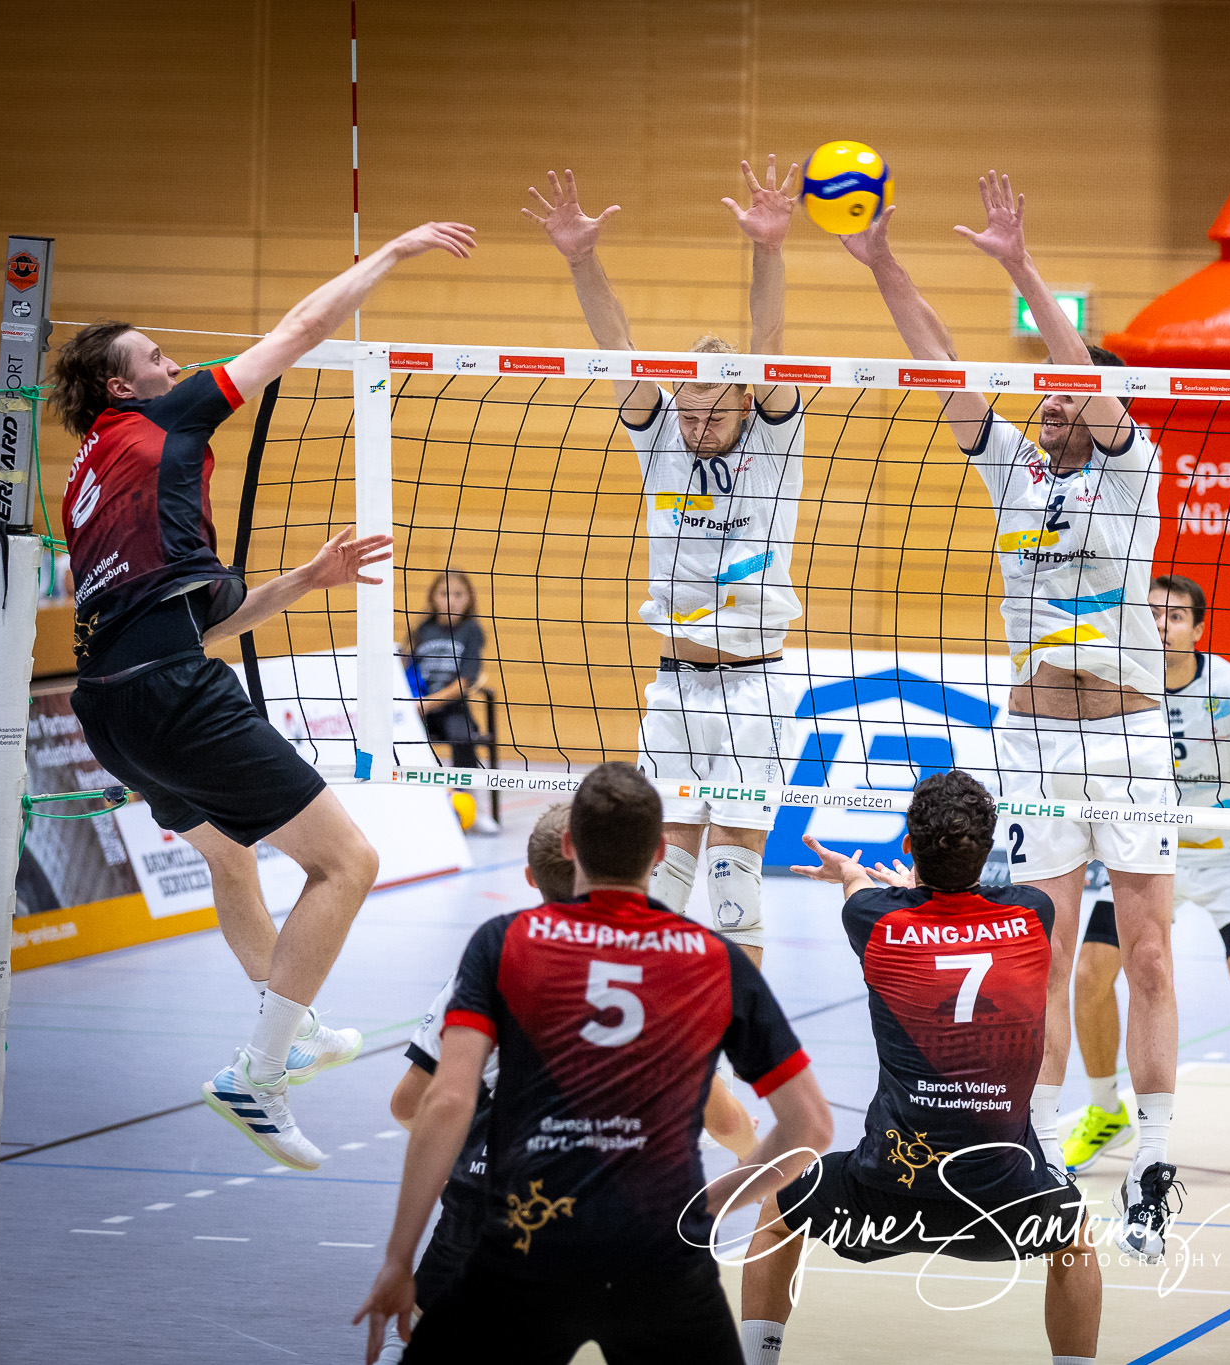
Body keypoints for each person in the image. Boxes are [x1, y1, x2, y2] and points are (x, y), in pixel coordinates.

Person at [50, 220, 477, 1171]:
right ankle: (261, 1070)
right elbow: (297, 330)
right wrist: (394, 253)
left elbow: (185, 617)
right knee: (348, 863)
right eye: (156, 356)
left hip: (108, 705)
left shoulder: (88, 475)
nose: (176, 362)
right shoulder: (159, 419)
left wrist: (301, 581)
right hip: (167, 694)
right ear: (124, 385)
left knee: (233, 863)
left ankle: (298, 1027)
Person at [842, 171, 1181, 1259]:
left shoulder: (1133, 474)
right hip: (1033, 743)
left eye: (1066, 390)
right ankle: (1021, 1156)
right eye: (1041, 392)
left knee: (1150, 957)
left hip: (1127, 739)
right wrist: (884, 263)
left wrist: (1020, 266)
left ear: (1099, 405)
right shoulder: (1014, 477)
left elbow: (1078, 369)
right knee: (1027, 953)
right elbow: (942, 368)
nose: (1048, 399)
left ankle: (1156, 1163)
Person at [354, 761, 832, 1365]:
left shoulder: (504, 943)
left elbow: (443, 1102)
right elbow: (810, 1126)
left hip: (523, 1239)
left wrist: (399, 1260)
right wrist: (706, 1209)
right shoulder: (711, 959)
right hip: (655, 1249)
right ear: (660, 852)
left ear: (569, 845)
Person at [526, 160, 807, 966]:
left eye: (711, 412)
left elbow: (770, 340)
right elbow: (616, 345)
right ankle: (655, 1014)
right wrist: (581, 258)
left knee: (735, 875)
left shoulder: (775, 440)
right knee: (666, 864)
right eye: (686, 410)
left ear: (744, 403)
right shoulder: (660, 438)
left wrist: (768, 249)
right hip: (676, 685)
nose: (693, 425)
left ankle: (736, 1045)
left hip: (756, 681)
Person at [741, 771, 1100, 1365]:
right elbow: (964, 912)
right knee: (1076, 1239)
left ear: (908, 844)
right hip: (1003, 1202)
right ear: (989, 852)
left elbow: (861, 890)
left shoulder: (875, 923)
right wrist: (918, 892)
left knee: (778, 1211)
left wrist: (859, 877)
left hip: (886, 1195)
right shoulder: (1034, 915)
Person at [1065, 575, 1230, 1173]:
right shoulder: (1116, 681)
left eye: (1174, 616)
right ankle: (1105, 1109)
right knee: (1091, 976)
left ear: (1198, 629)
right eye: (1150, 615)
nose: (1160, 625)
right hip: (1148, 849)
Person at [404, 568, 498, 834]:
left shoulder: (471, 631)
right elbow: (406, 669)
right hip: (418, 709)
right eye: (444, 594)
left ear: (469, 599)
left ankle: (472, 807)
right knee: (403, 739)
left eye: (458, 594)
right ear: (433, 598)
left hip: (452, 709)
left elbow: (465, 683)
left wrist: (427, 703)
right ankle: (421, 805)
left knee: (464, 736)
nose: (451, 600)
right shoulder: (423, 630)